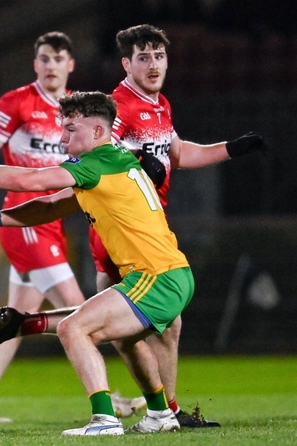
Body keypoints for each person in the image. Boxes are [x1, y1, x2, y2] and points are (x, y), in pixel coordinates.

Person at [0, 90, 195, 435]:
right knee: (124, 338)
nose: (62, 137)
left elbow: (31, 181)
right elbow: (49, 206)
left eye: (71, 129)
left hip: (157, 277)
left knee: (74, 328)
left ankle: (105, 420)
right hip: (166, 274)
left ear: (97, 131)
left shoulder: (98, 162)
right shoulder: (110, 163)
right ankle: (160, 415)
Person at [89, 23, 265, 427]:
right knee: (138, 325)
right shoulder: (118, 103)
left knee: (148, 327)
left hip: (149, 226)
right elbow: (98, 147)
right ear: (126, 63)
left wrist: (233, 149)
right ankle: (162, 411)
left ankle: (164, 411)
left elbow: (178, 153)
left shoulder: (160, 104)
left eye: (159, 56)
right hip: (126, 228)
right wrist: (136, 161)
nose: (153, 64)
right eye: (144, 57)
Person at [0, 31, 88, 423]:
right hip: (23, 218)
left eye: (58, 59)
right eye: (44, 59)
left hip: (52, 221)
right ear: (35, 64)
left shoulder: (76, 111)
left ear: (70, 65)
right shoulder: (16, 102)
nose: (51, 66)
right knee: (82, 308)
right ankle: (108, 397)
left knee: (16, 318)